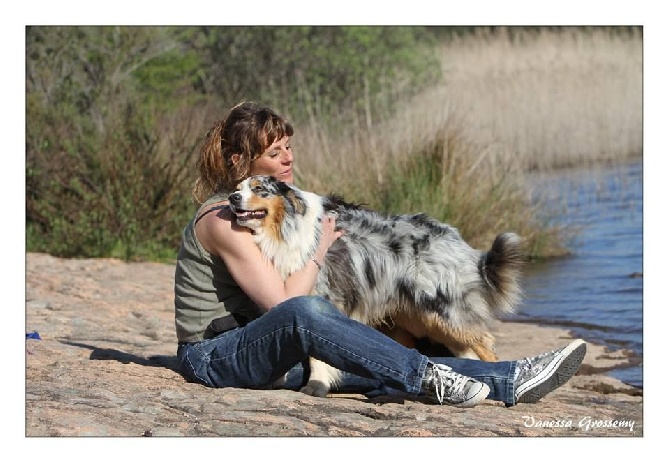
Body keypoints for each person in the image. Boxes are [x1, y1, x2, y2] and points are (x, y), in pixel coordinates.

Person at [174, 101, 587, 408]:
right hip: (216, 357)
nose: (289, 158)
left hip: (263, 352)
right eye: (275, 153)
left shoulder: (265, 210)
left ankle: (509, 378)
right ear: (240, 161)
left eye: (288, 147)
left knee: (383, 356)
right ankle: (426, 377)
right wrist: (318, 251)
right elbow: (286, 307)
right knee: (310, 312)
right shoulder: (224, 219)